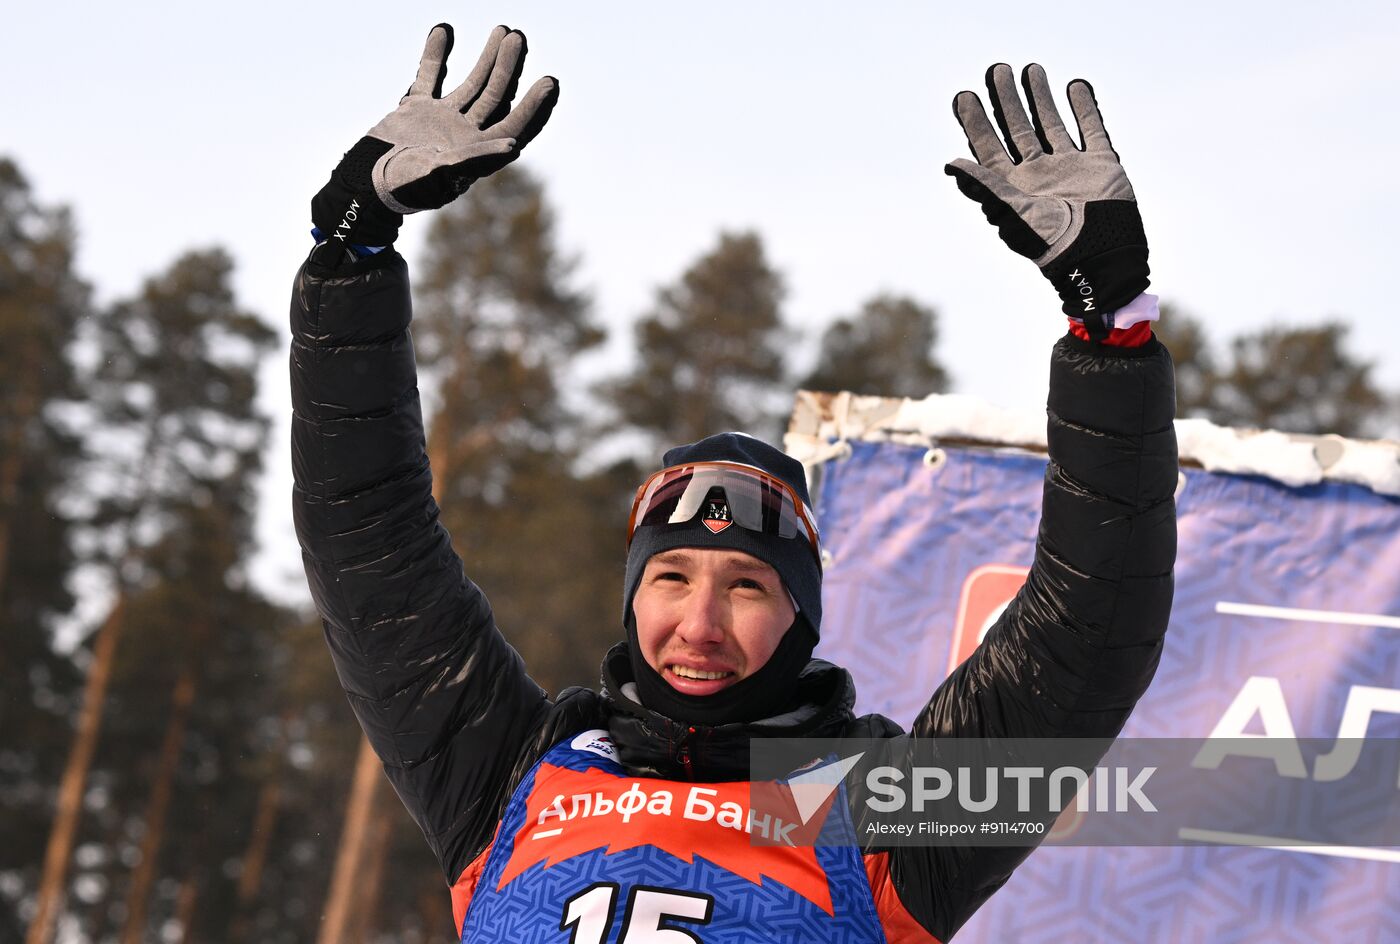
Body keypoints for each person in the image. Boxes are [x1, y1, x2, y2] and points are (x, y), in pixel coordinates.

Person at [291, 21, 1176, 943]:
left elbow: (1090, 629)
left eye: (747, 586)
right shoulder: (512, 772)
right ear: (632, 596)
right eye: (671, 578)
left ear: (803, 612)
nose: (698, 626)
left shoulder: (893, 809)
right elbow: (368, 541)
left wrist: (1110, 332)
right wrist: (349, 254)